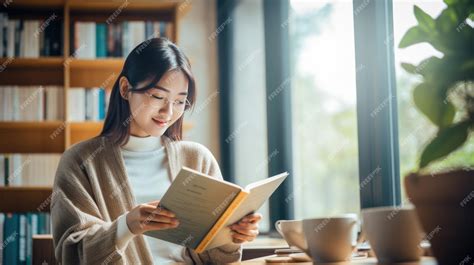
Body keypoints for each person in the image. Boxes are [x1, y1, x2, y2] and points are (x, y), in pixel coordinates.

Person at [51, 37, 262, 264]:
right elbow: (71, 253)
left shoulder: (197, 158)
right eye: (158, 97)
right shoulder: (81, 162)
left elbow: (216, 258)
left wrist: (233, 236)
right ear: (125, 88)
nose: (168, 112)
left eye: (180, 102)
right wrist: (128, 225)